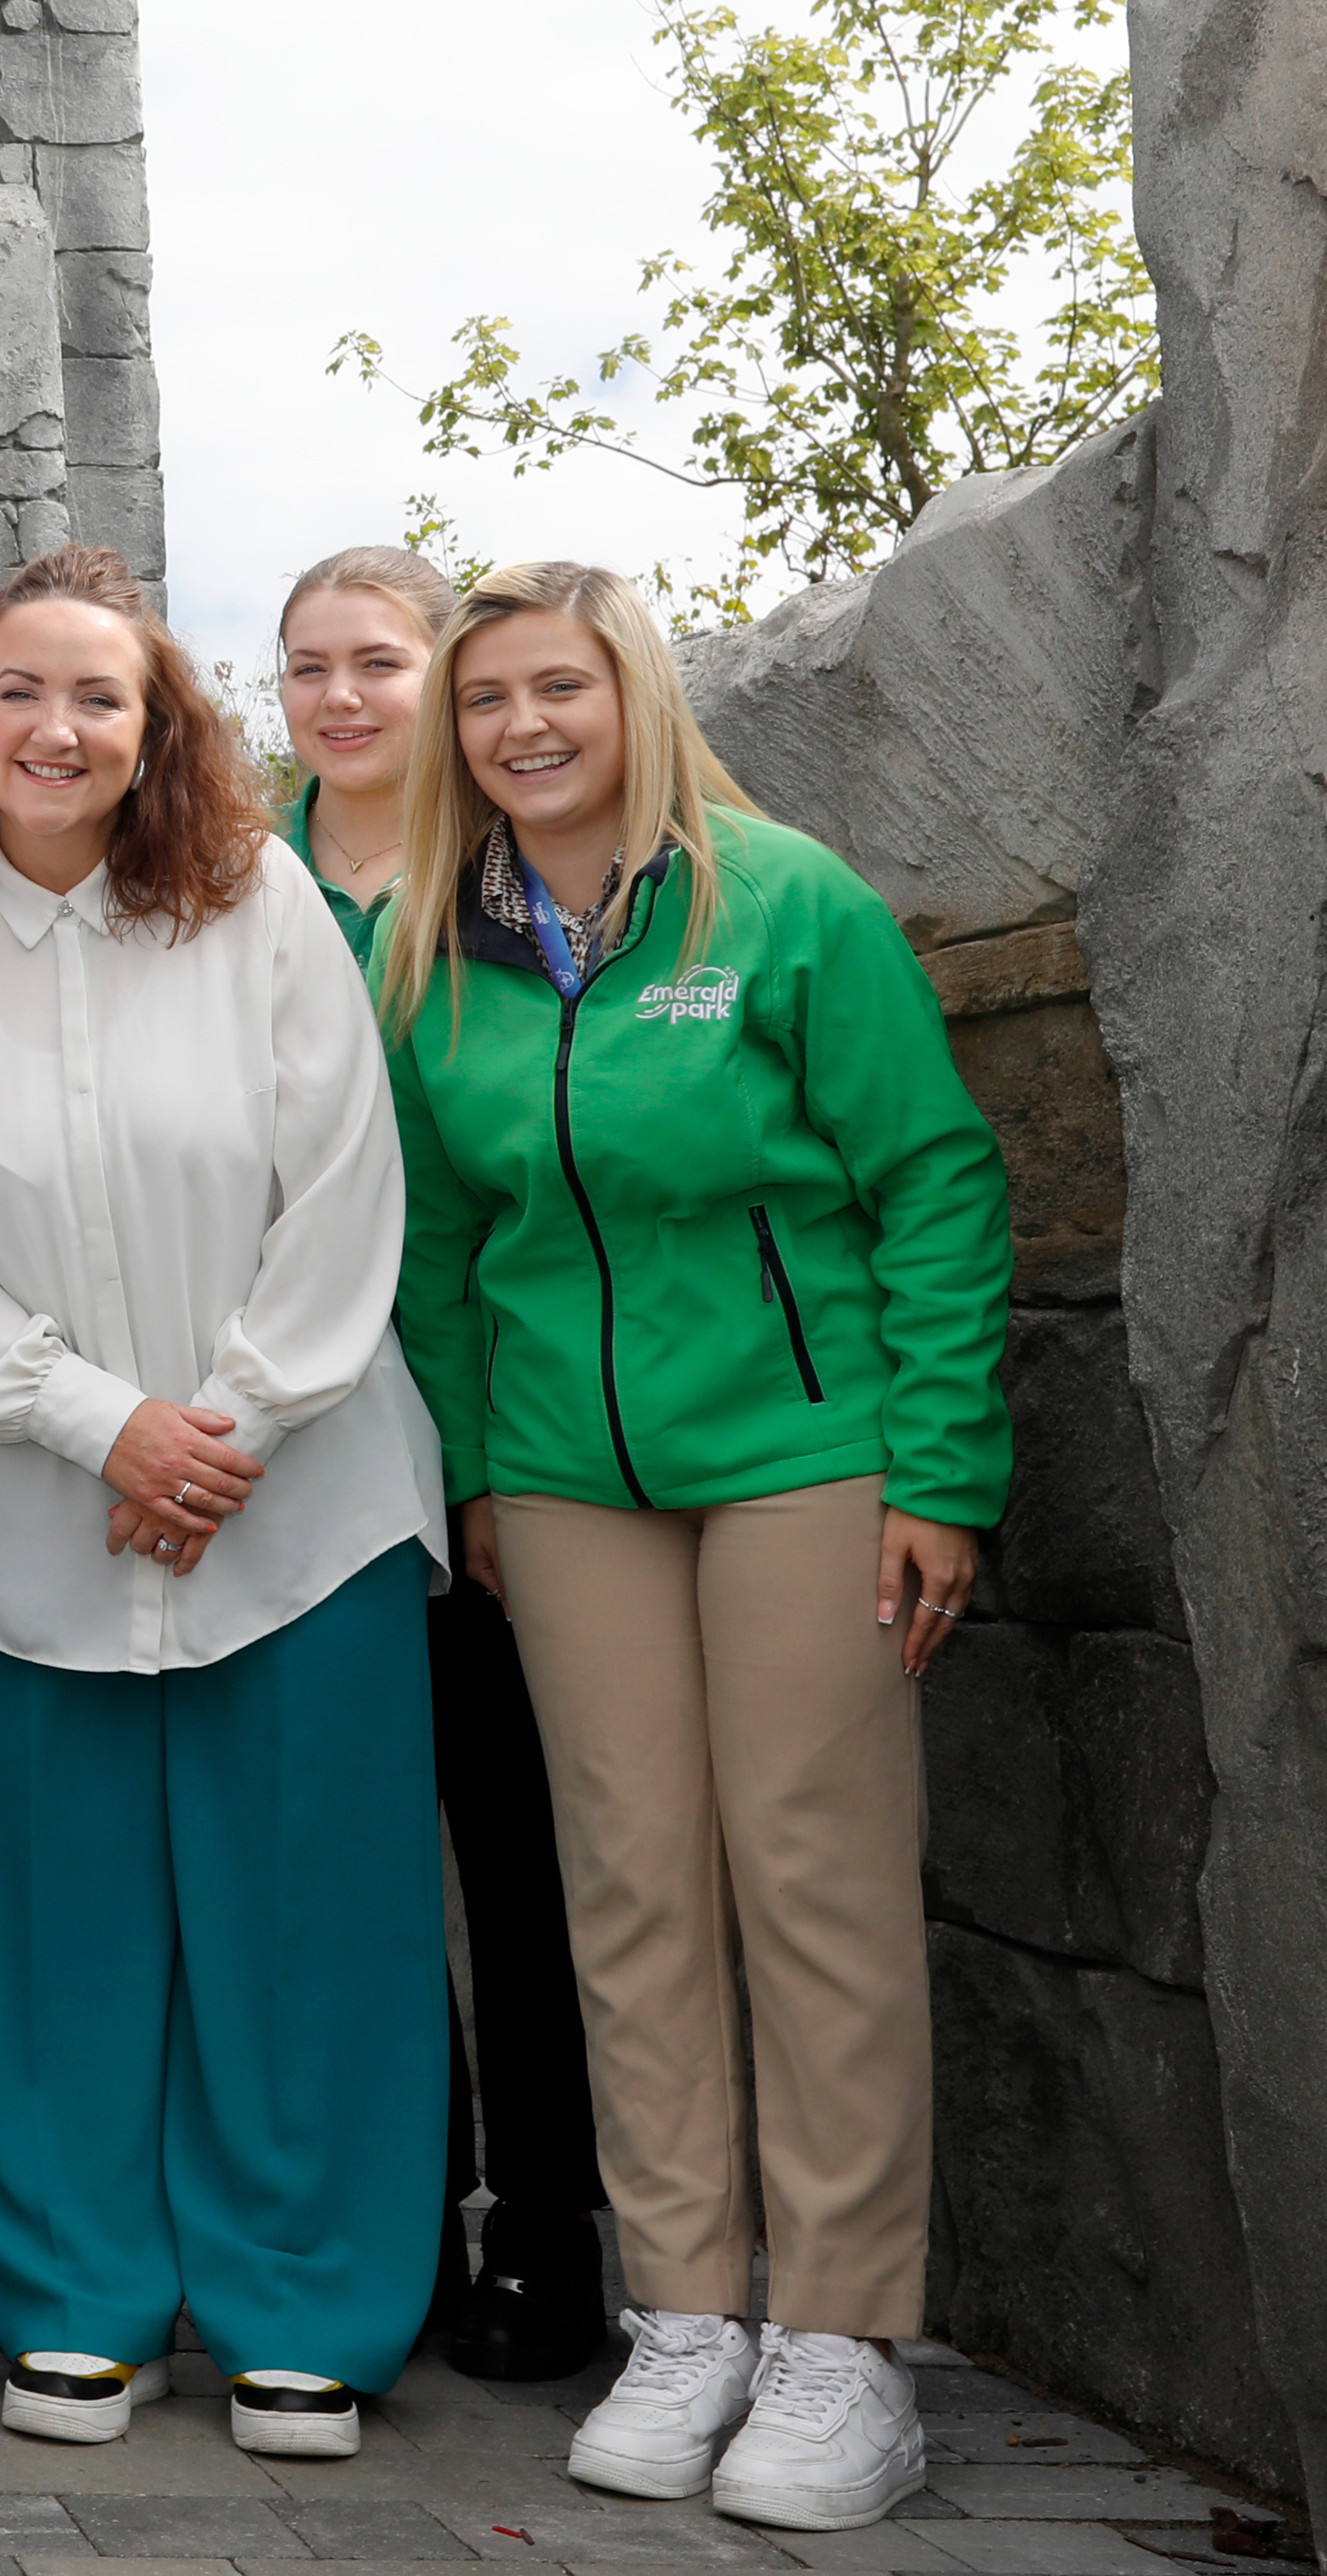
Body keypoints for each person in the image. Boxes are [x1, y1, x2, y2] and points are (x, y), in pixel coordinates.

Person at [377, 559, 1008, 2534]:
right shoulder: (432, 951)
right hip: (565, 1478)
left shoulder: (779, 899)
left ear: (630, 695)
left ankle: (837, 2337)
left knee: (807, 1874)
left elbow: (929, 1175)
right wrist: (475, 1469)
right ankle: (684, 2314)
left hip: (805, 1452)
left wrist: (942, 1473)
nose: (519, 729)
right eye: (482, 701)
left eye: (554, 687)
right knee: (627, 1888)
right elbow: (438, 1248)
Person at [0, 543, 455, 2461]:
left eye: (98, 695)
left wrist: (231, 1423)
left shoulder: (258, 905)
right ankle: (78, 2297)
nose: (56, 726)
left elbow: (343, 1187)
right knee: (48, 1926)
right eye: (16, 690)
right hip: (29, 1513)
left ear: (155, 723)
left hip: (299, 1501)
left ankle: (302, 2306)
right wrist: (105, 1425)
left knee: (309, 1915)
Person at [276, 545, 608, 2381]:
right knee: (343, 1853)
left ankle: (545, 2223)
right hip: (292, 1435)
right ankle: (396, 2201)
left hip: (489, 1423)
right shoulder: (230, 871)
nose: (340, 699)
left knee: (516, 1834)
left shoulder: (520, 891)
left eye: (379, 663)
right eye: (307, 665)